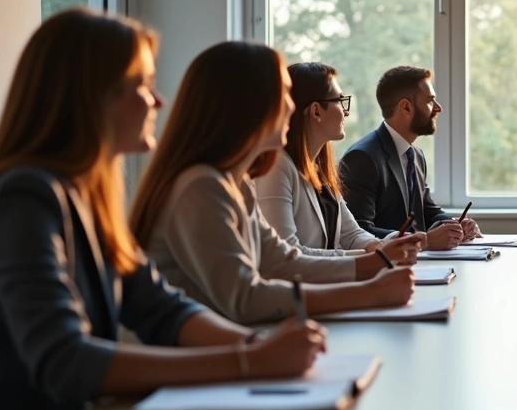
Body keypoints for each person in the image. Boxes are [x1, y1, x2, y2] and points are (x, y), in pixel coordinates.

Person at [0, 10, 325, 410]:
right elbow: (64, 360)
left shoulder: (85, 198)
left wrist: (255, 347)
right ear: (93, 97)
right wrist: (249, 364)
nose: (159, 101)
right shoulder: (24, 196)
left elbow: (163, 309)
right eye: (142, 85)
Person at [129, 42, 415, 325]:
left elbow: (279, 261)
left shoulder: (236, 183)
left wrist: (378, 262)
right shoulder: (200, 186)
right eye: (283, 95)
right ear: (251, 107)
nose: (291, 107)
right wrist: (368, 291)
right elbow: (246, 297)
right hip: (195, 357)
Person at [256, 62, 425, 261]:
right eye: (340, 101)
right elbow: (286, 255)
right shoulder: (277, 168)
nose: (346, 112)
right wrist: (376, 257)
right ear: (316, 111)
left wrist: (387, 243)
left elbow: (350, 234)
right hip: (300, 289)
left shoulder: (319, 168)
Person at [339, 65, 477, 249]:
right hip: (386, 269)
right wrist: (424, 241)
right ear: (406, 107)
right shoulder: (362, 158)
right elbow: (358, 231)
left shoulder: (416, 155)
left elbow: (428, 212)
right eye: (430, 101)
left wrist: (455, 226)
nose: (438, 108)